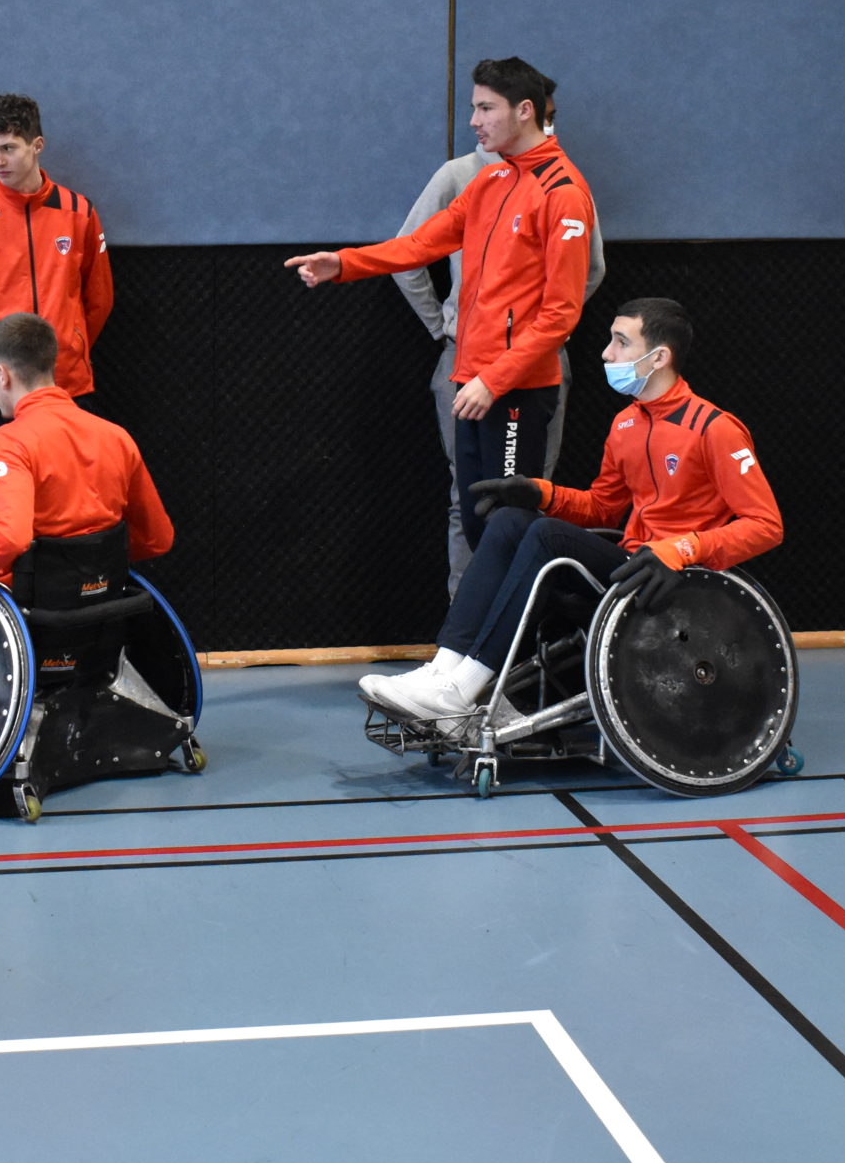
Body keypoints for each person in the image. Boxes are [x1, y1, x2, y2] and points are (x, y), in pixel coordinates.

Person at [361, 299, 782, 724]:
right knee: (511, 521)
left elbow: (765, 526)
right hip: (630, 565)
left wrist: (683, 549)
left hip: (677, 577)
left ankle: (465, 687)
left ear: (659, 357)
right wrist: (540, 494)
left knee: (546, 536)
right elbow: (603, 505)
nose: (606, 353)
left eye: (621, 342)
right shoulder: (625, 425)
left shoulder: (715, 428)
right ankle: (442, 670)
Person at [287, 56, 596, 554]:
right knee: (475, 520)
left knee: (509, 522)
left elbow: (561, 314)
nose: (473, 120)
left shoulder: (563, 193)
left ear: (524, 111)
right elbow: (417, 246)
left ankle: (521, 629)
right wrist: (342, 263)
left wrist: (493, 380)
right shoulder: (492, 181)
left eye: (484, 108)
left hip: (514, 390)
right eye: (474, 107)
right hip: (467, 378)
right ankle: (478, 631)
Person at [390, 88, 603, 595]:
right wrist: (445, 326)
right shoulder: (461, 175)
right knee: (470, 501)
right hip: (464, 363)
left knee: (527, 497)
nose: (547, 129)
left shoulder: (563, 182)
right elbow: (409, 252)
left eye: (552, 119)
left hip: (534, 367)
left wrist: (544, 324)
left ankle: (516, 637)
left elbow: (590, 270)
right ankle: (464, 639)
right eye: (481, 109)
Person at [0, 313, 173, 605]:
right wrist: (93, 569)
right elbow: (157, 539)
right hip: (97, 603)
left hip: (19, 605)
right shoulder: (117, 437)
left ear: (3, 374)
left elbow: (9, 539)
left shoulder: (8, 443)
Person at [0, 93, 114, 527]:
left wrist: (66, 352)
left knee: (70, 505)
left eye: (9, 148)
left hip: (67, 386)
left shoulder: (79, 213)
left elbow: (98, 300)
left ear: (37, 145)